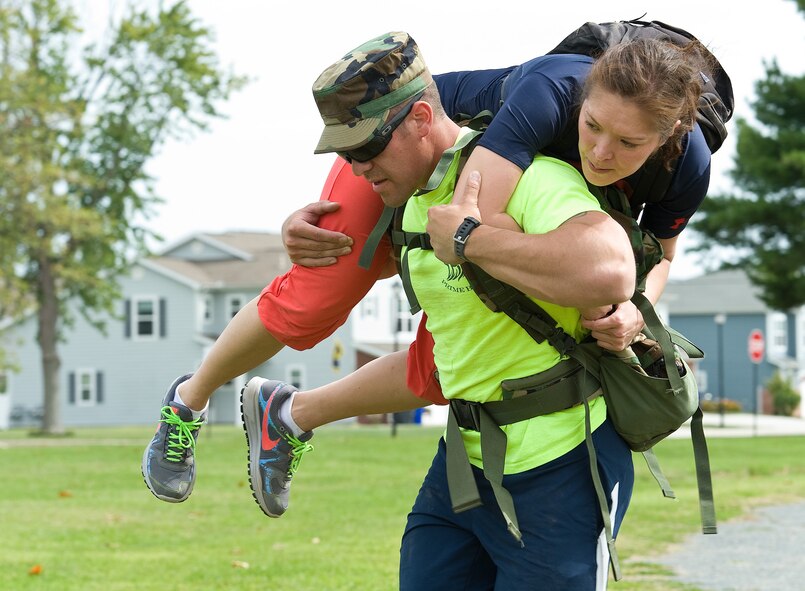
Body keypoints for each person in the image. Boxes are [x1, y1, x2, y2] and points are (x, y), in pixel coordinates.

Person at [141, 29, 712, 514]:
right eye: (592, 127)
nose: (603, 152)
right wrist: (587, 282)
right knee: (322, 291)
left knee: (458, 358)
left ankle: (287, 415)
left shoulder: (688, 167)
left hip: (500, 193)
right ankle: (187, 400)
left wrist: (632, 310)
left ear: (667, 138)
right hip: (405, 137)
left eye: (629, 142)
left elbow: (659, 254)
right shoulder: (548, 93)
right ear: (584, 96)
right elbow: (469, 222)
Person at [243, 31, 637, 588]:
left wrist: (473, 237)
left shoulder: (527, 176)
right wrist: (298, 237)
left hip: (563, 468)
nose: (358, 170)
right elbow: (353, 262)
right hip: (462, 464)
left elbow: (611, 268)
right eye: (347, 155)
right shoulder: (406, 204)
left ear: (422, 118)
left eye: (367, 149)